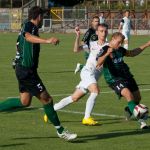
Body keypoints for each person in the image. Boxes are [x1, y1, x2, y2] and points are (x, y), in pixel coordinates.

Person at [0, 6, 77, 141]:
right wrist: (47, 41)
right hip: (27, 71)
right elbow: (28, 37)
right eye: (43, 17)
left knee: (25, 101)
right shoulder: (30, 26)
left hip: (23, 69)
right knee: (47, 99)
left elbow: (19, 43)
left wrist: (18, 57)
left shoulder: (26, 26)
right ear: (39, 17)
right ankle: (61, 131)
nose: (43, 20)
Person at [44, 24, 108, 125]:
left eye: (105, 31)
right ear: (97, 32)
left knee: (74, 98)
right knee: (95, 91)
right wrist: (78, 36)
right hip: (87, 72)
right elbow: (76, 50)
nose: (103, 33)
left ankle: (50, 111)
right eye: (101, 31)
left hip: (94, 76)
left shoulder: (109, 46)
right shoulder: (92, 44)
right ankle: (87, 118)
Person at [96, 32, 150, 129]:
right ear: (112, 39)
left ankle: (129, 110)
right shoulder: (104, 49)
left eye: (121, 42)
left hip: (127, 76)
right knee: (128, 95)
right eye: (118, 42)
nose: (120, 44)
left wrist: (147, 44)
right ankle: (141, 121)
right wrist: (107, 53)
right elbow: (98, 62)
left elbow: (132, 53)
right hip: (114, 79)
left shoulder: (120, 49)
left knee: (137, 98)